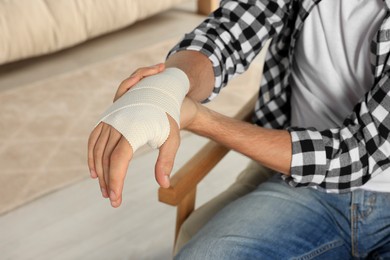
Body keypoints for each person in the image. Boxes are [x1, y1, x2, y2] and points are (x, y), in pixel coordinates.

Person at [88, 0, 390, 258]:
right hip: (306, 191)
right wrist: (168, 85)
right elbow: (230, 30)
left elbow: (353, 155)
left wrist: (201, 119)